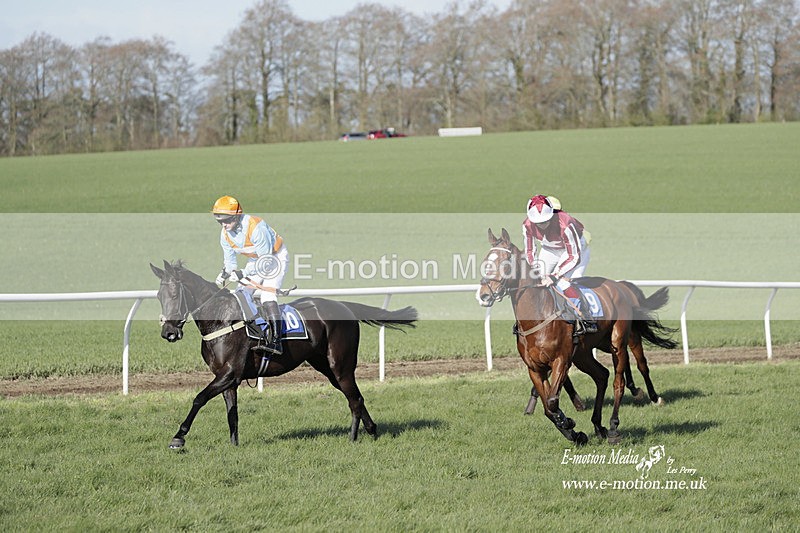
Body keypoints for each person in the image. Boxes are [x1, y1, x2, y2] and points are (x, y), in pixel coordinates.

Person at [211, 195, 290, 355]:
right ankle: (257, 332)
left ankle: (276, 342)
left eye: (226, 220)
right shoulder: (225, 234)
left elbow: (266, 261)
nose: (224, 225)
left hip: (275, 258)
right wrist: (225, 273)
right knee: (241, 294)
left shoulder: (256, 227)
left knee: (267, 296)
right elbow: (230, 262)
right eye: (220, 222)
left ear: (236, 216)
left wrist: (243, 273)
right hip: (256, 260)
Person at [522, 194, 598, 336]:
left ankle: (586, 318)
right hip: (549, 249)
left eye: (545, 221)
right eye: (538, 223)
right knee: (536, 280)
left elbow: (573, 256)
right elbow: (530, 251)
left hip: (575, 249)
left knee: (564, 283)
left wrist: (555, 276)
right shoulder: (527, 225)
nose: (542, 225)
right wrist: (536, 269)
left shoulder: (565, 223)